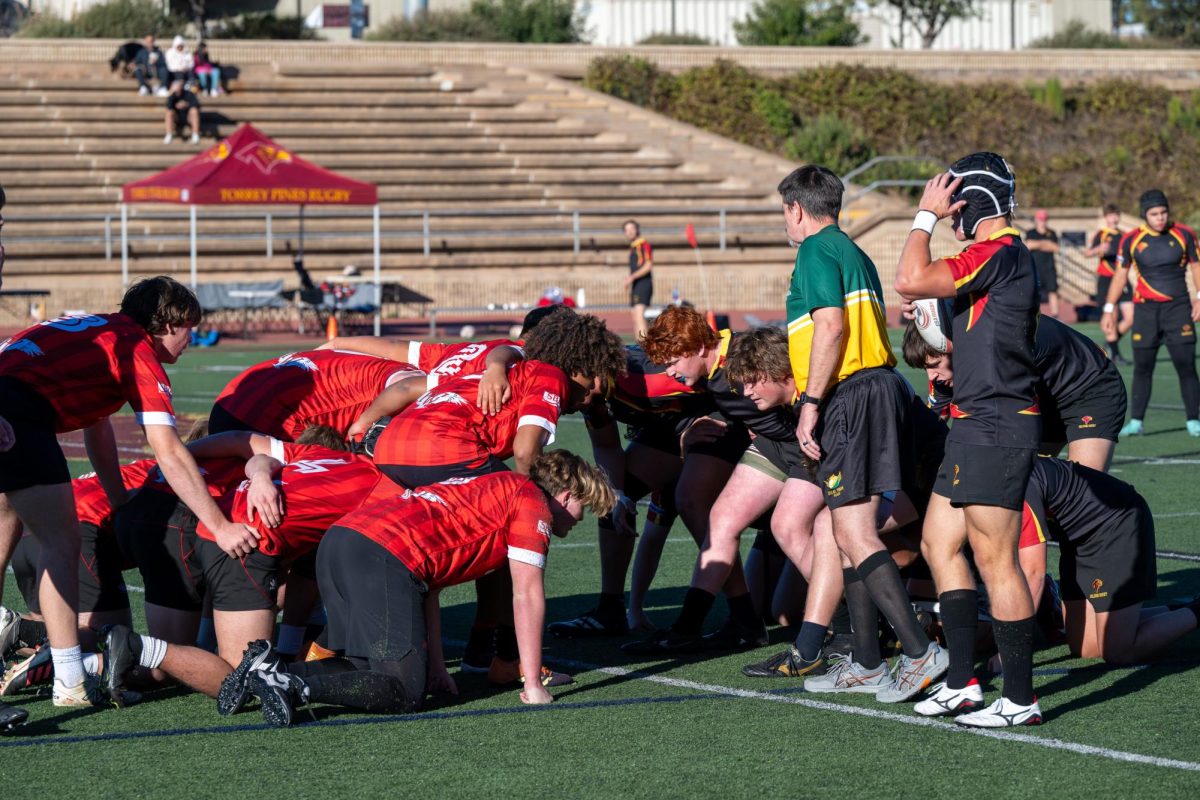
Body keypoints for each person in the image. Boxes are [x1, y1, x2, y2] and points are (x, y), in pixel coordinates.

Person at [0, 276, 256, 710]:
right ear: (168, 322)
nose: (191, 338)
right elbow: (170, 451)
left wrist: (119, 500)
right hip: (16, 408)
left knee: (5, 527)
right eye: (189, 326)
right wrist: (220, 525)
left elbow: (96, 424)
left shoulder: (102, 330)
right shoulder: (136, 347)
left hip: (9, 398)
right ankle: (70, 679)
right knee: (59, 542)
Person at [215, 450, 614, 726]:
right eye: (584, 505)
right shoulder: (532, 502)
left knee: (366, 664)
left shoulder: (498, 486)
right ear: (566, 494)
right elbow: (526, 595)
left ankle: (274, 670)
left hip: (343, 541)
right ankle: (288, 681)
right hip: (381, 554)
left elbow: (431, 588)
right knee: (405, 691)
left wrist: (437, 667)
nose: (581, 518)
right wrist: (531, 685)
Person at [782, 164, 946, 702]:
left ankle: (921, 652)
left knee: (853, 532)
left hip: (852, 394)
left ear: (797, 210)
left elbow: (831, 325)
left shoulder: (814, 250)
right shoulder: (850, 249)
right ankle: (869, 662)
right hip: (876, 390)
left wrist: (809, 404)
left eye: (785, 212)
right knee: (844, 532)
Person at [895, 152, 1043, 727]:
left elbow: (910, 274)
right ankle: (962, 683)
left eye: (956, 201)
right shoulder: (998, 259)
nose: (950, 211)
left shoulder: (999, 251)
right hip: (973, 417)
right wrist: (933, 309)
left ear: (971, 202)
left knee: (994, 557)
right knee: (937, 542)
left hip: (998, 420)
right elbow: (927, 303)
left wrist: (923, 218)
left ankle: (1022, 699)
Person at [98, 427, 383, 704]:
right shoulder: (377, 480)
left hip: (209, 529)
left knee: (168, 668)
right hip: (241, 541)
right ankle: (136, 646)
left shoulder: (318, 455)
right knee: (244, 678)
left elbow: (253, 451)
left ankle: (81, 664)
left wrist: (258, 475)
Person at [903, 314, 1126, 472]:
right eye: (925, 368)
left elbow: (1005, 425)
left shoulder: (998, 350)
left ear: (954, 345)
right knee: (1014, 483)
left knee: (1082, 490)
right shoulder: (947, 373)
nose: (931, 377)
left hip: (1088, 390)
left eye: (935, 364)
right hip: (1041, 395)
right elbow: (931, 429)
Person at [1101, 189, 1200, 438]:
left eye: (1163, 212)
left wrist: (1199, 297)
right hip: (1145, 311)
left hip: (1178, 310)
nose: (1160, 217)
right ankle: (1136, 422)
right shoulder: (1131, 239)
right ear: (1145, 215)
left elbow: (1197, 266)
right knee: (1143, 367)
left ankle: (1193, 420)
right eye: (1154, 213)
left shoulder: (1184, 234)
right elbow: (1120, 275)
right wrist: (1109, 308)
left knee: (1186, 365)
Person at [208, 348, 425, 441]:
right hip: (267, 418)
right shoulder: (403, 378)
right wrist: (364, 422)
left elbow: (335, 343)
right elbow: (406, 386)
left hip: (234, 394)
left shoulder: (382, 362)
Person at [1084, 204, 1131, 363]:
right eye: (1110, 215)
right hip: (1106, 279)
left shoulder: (1124, 235)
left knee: (1131, 317)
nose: (1114, 218)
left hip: (1122, 278)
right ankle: (1116, 354)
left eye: (1116, 214)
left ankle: (1111, 343)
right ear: (1106, 217)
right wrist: (1099, 248)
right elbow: (1087, 253)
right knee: (1112, 315)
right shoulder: (1101, 234)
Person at [1026, 209, 1060, 318]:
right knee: (1033, 292)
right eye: (1040, 219)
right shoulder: (1031, 233)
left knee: (1052, 291)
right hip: (1034, 267)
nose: (1042, 222)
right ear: (1036, 220)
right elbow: (1029, 245)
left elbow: (1055, 247)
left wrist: (1039, 245)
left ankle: (1055, 315)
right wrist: (1045, 243)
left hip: (1049, 268)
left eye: (1044, 219)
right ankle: (1033, 314)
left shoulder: (1052, 233)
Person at [623, 220, 653, 339]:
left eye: (632, 229)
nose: (630, 232)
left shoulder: (643, 244)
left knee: (639, 315)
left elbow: (648, 265)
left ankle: (645, 347)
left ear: (637, 230)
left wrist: (632, 277)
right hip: (636, 285)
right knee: (635, 315)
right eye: (627, 230)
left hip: (644, 283)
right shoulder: (633, 247)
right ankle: (640, 345)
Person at [163, 80, 201, 145]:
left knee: (194, 111)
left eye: (177, 87)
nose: (176, 89)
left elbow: (197, 105)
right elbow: (168, 106)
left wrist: (186, 105)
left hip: (188, 117)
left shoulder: (188, 93)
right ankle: (169, 135)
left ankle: (195, 135)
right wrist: (171, 94)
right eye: (174, 87)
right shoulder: (172, 95)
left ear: (181, 87)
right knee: (169, 112)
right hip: (177, 117)